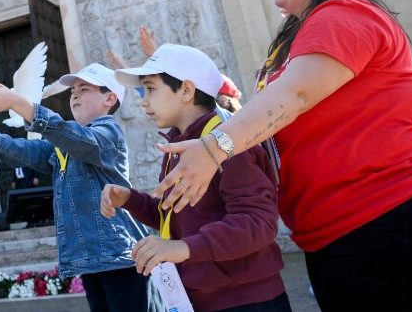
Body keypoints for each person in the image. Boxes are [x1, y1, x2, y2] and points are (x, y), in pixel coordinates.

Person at [155, 0, 412, 311]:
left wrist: (214, 148)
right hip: (340, 230)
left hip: (387, 215)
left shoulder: (344, 13)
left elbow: (297, 94)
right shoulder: (301, 34)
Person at [0, 64, 162, 312]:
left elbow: (78, 139)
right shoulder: (63, 145)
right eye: (72, 90)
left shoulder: (109, 133)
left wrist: (17, 102)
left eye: (83, 89)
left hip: (120, 257)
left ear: (109, 98)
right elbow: (22, 151)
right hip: (90, 260)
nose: (74, 94)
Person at [101, 44, 290, 311]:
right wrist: (130, 199)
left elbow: (257, 224)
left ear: (186, 91)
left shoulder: (228, 143)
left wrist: (182, 248)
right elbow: (176, 214)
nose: (143, 100)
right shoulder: (179, 145)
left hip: (248, 300)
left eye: (151, 89)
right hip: (200, 299)